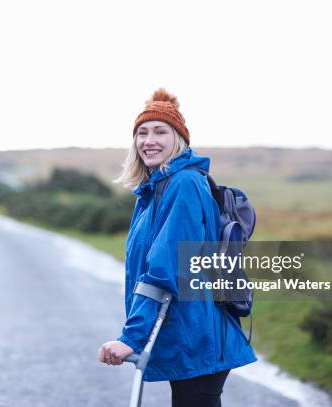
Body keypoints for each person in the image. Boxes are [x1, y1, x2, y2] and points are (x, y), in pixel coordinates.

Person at [98, 88, 257, 406]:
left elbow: (165, 269)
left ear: (179, 140)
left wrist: (132, 338)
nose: (149, 140)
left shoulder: (183, 185)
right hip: (186, 331)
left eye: (160, 131)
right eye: (142, 133)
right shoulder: (152, 191)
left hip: (198, 333)